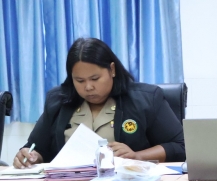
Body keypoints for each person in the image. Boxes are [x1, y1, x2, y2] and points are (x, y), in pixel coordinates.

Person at [14, 38, 186, 168]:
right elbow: (36, 148)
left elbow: (181, 146)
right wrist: (29, 156)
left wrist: (137, 156)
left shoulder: (146, 99)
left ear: (112, 70)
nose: (88, 87)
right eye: (79, 80)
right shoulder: (58, 101)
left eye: (95, 78)